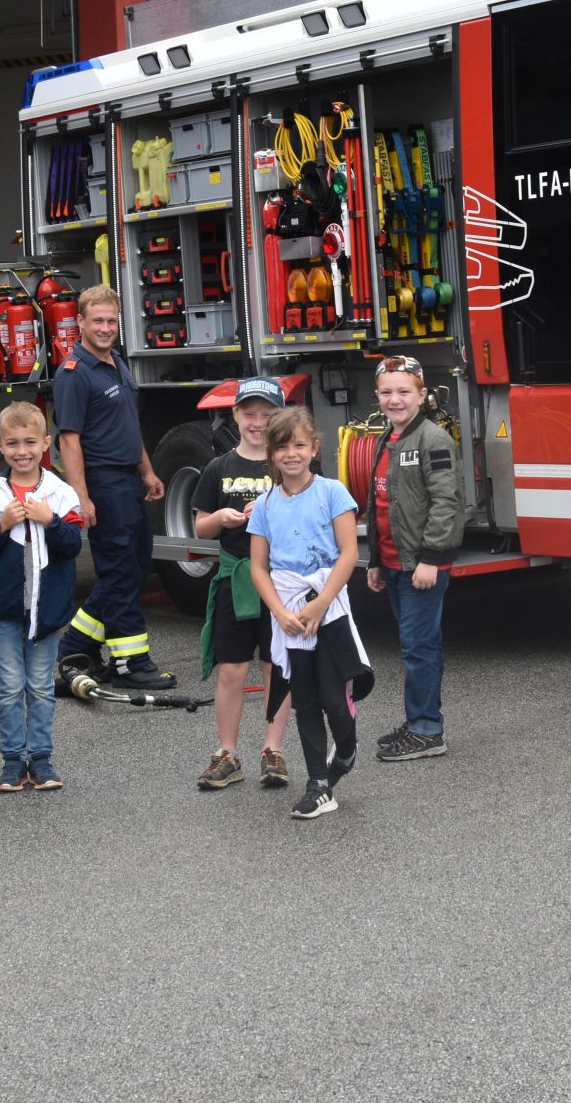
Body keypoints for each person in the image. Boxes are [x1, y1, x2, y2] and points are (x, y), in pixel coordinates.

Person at [248, 406, 368, 820]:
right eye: (282, 447)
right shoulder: (264, 505)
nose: (291, 454)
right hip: (290, 615)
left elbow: (349, 553)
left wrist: (320, 603)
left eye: (299, 445)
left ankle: (348, 750)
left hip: (327, 605)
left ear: (315, 448)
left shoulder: (332, 492)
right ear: (271, 453)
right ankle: (319, 784)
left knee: (335, 699)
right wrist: (279, 612)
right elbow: (258, 567)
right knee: (305, 701)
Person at [52, 285, 173, 691]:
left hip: (128, 479)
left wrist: (148, 471)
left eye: (111, 321)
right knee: (119, 571)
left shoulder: (116, 363)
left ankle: (75, 644)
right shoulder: (74, 373)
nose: (105, 328)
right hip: (103, 482)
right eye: (97, 320)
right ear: (81, 323)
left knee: (134, 568)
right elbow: (69, 440)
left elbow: (128, 426)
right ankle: (131, 662)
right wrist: (81, 497)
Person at [0, 400, 84, 793]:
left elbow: (73, 546)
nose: (22, 451)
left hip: (46, 609)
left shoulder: (60, 492)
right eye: (13, 443)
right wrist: (1, 525)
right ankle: (13, 759)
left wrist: (49, 522)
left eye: (30, 442)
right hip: (4, 609)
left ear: (46, 444)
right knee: (10, 686)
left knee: (41, 685)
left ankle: (42, 757)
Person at [189, 376, 294, 791]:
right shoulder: (219, 467)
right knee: (232, 670)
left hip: (279, 582)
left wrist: (269, 509)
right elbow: (201, 528)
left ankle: (272, 748)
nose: (257, 423)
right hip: (235, 579)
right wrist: (222, 519)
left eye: (267, 416)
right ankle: (228, 753)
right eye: (249, 414)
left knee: (275, 666)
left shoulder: (289, 465)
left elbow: (308, 518)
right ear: (235, 415)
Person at [361, 356, 463, 763]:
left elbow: (446, 502)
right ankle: (420, 719)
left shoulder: (433, 439)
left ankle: (426, 730)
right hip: (393, 563)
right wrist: (374, 560)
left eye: (404, 391)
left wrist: (430, 559)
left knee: (418, 647)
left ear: (423, 394)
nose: (395, 399)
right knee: (416, 645)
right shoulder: (388, 439)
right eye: (386, 392)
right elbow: (379, 504)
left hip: (421, 565)